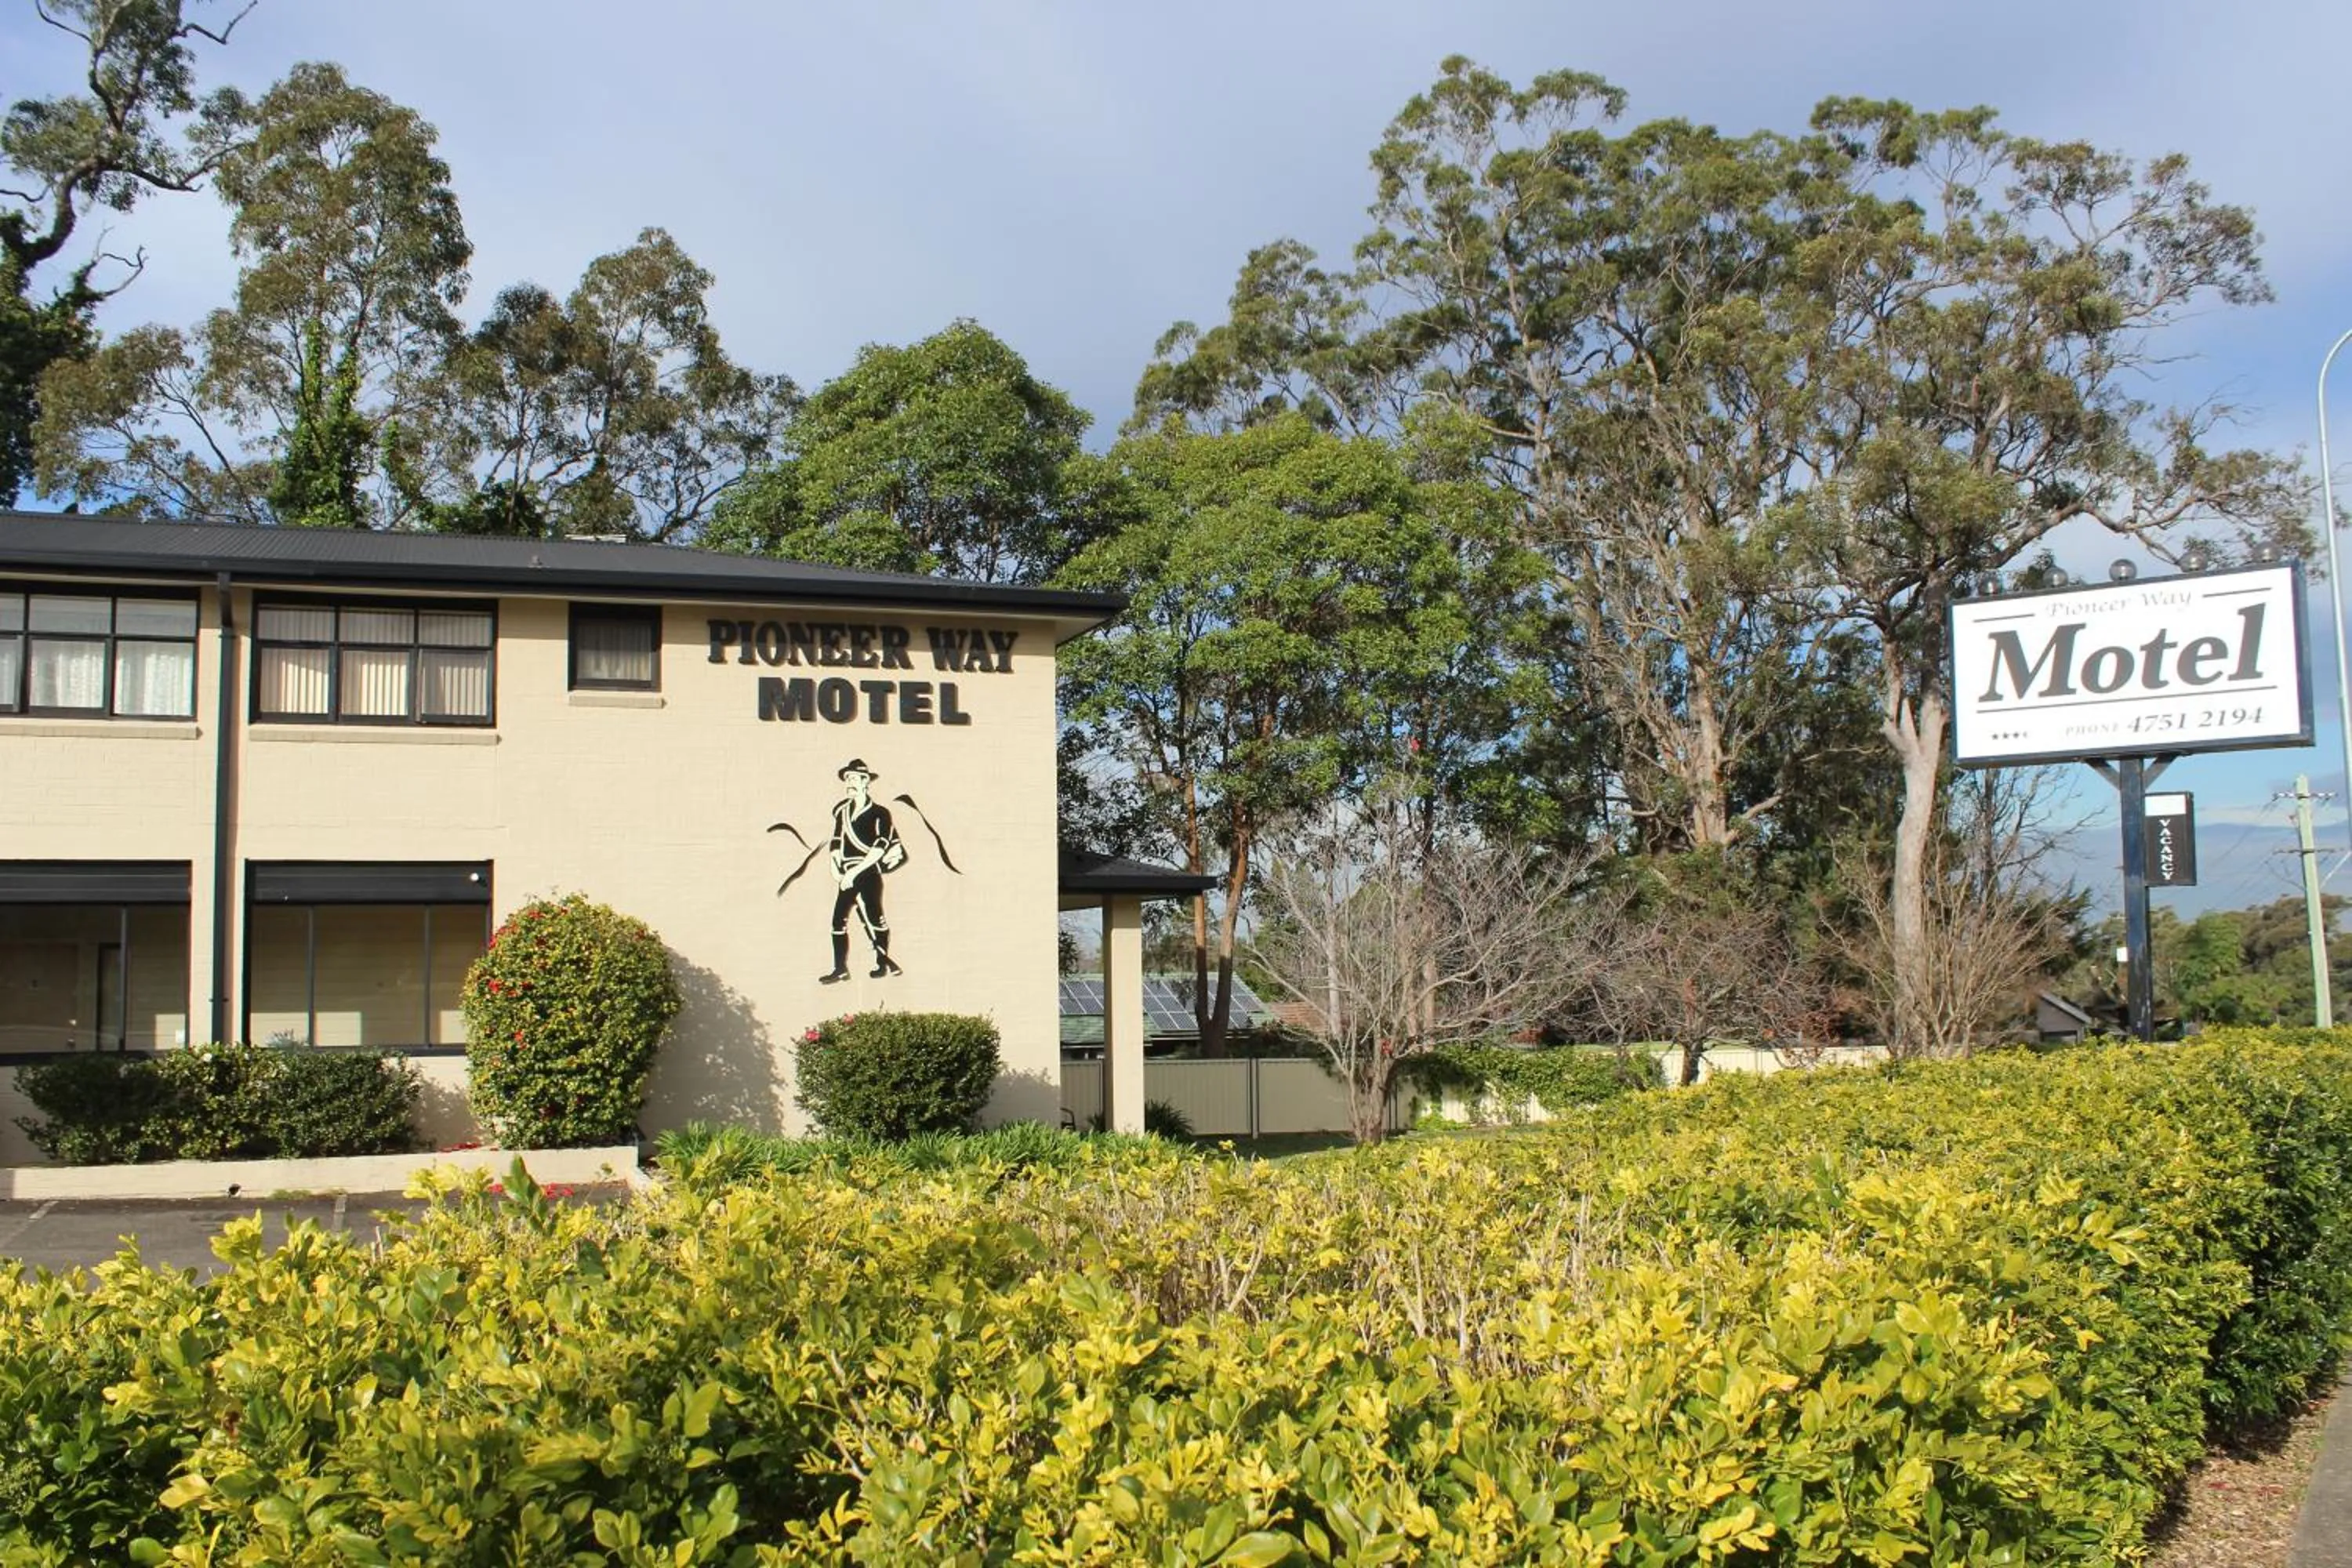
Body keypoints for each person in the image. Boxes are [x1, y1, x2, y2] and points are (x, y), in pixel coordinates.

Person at [821, 759, 903, 982]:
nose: (850, 783)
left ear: (866, 781)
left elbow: (880, 846)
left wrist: (853, 873)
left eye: (854, 778)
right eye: (847, 779)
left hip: (868, 873)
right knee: (838, 921)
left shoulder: (880, 813)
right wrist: (836, 871)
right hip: (846, 875)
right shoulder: (842, 813)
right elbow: (836, 843)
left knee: (876, 918)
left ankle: (881, 964)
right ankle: (840, 968)